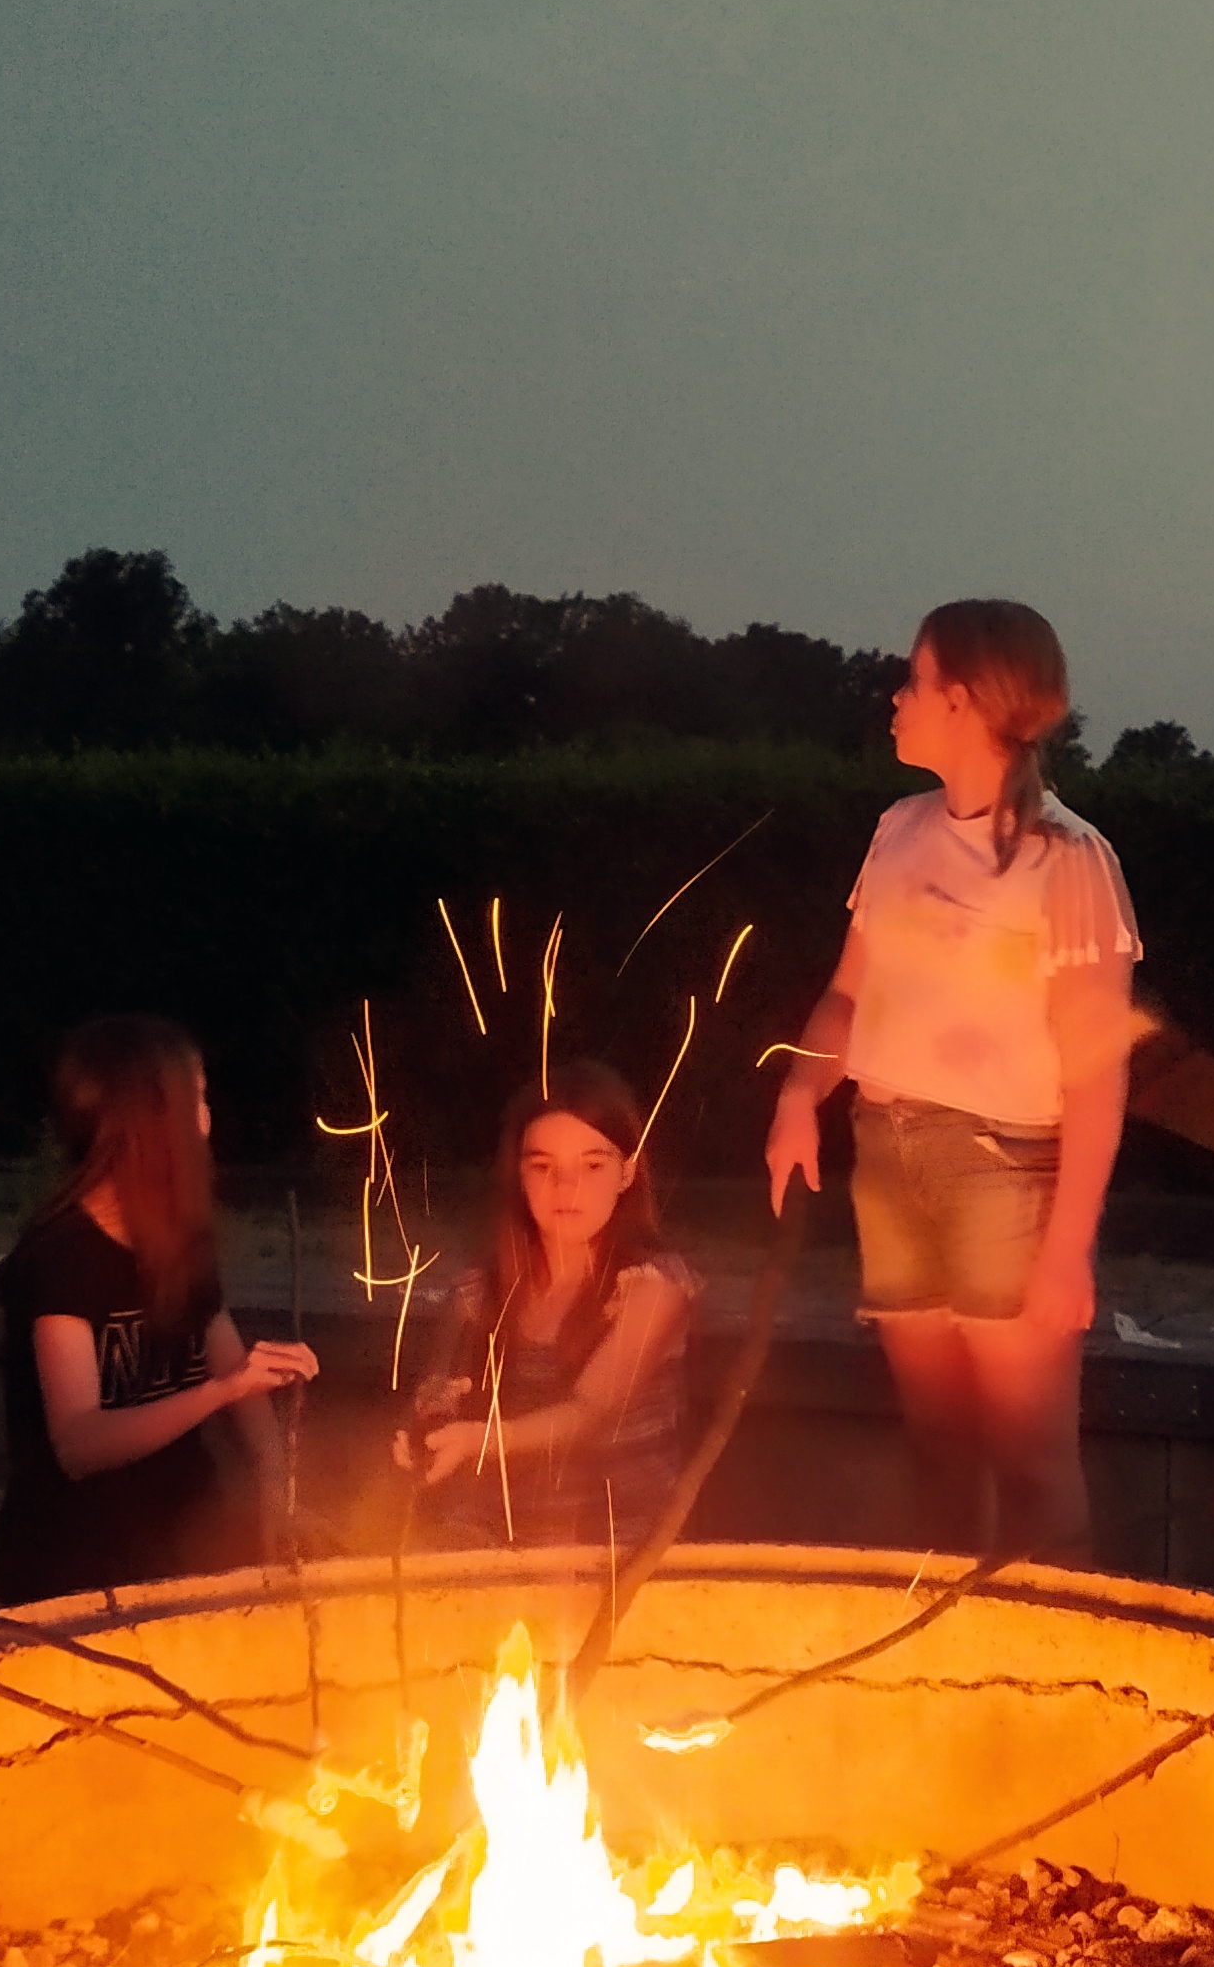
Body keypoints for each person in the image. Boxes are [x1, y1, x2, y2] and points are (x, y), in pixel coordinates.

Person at [765, 599, 1142, 1564]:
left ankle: (1059, 1644)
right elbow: (847, 996)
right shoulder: (898, 830)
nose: (896, 698)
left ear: (964, 701)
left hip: (1000, 1169)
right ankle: (945, 1638)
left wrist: (1068, 1250)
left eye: (914, 680)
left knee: (1030, 1462)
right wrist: (801, 1096)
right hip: (887, 1156)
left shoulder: (1069, 859)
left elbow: (1097, 1074)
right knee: (938, 1446)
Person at [0, 1015, 317, 1606]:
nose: (208, 1121)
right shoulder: (61, 1257)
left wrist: (276, 1487)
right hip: (75, 1559)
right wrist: (220, 1392)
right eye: (197, 1099)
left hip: (183, 1533)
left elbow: (231, 1365)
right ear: (151, 1124)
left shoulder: (178, 1240)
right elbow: (79, 1443)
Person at [401, 1063, 704, 1550]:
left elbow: (590, 1412)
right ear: (518, 1174)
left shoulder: (652, 1286)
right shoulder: (476, 1294)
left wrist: (480, 1440)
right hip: (492, 1553)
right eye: (542, 1167)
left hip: (618, 1556)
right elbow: (436, 1395)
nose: (566, 1188)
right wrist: (426, 1430)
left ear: (627, 1172)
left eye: (592, 1166)